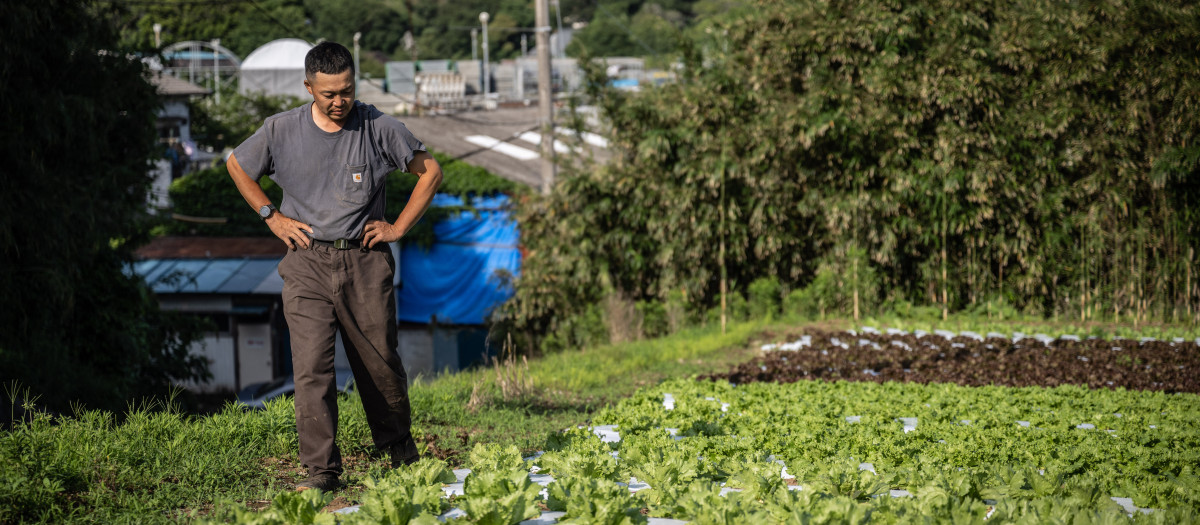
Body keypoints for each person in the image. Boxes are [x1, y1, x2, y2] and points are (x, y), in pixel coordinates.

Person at [226, 41, 442, 492]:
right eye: (329, 94)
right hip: (306, 261)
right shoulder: (279, 130)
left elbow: (430, 172)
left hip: (364, 261)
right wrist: (272, 216)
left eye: (346, 90)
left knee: (379, 362)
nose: (340, 101)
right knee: (311, 370)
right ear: (309, 88)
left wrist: (397, 227)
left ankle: (400, 454)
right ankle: (321, 472)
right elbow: (236, 164)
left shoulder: (377, 125)